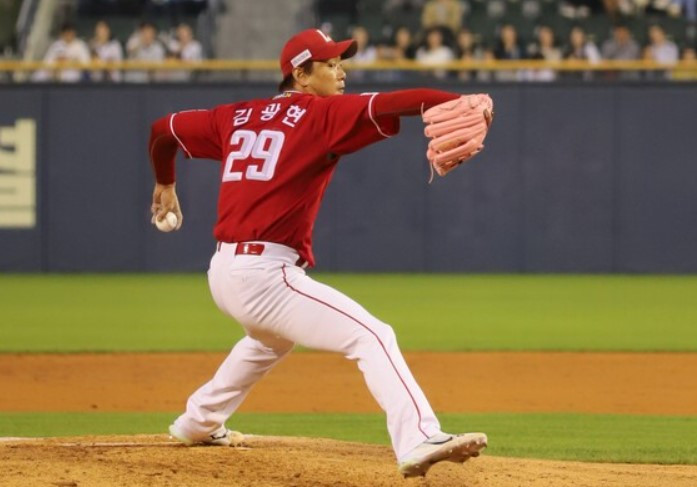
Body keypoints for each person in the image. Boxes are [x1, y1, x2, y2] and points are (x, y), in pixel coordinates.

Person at [148, 28, 488, 478]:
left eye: (340, 63)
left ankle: (199, 421)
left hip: (224, 272)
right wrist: (460, 99)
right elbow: (396, 103)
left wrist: (165, 182)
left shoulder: (236, 116)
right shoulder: (320, 114)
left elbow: (163, 130)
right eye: (330, 65)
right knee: (372, 335)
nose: (341, 72)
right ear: (301, 75)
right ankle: (419, 437)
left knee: (268, 341)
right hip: (265, 274)